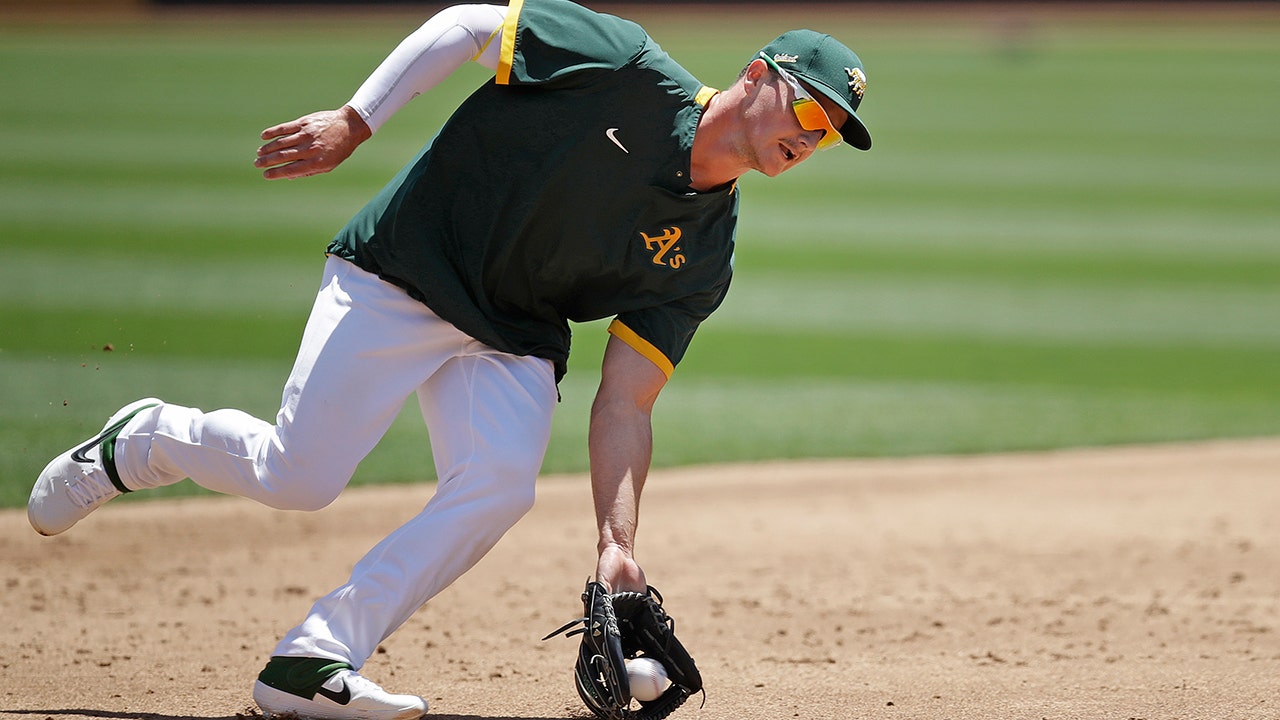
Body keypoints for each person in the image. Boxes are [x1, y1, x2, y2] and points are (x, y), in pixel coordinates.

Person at [28, 1, 871, 718]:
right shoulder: (625, 64)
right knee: (300, 476)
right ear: (759, 75)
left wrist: (617, 544)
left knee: (500, 484)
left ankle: (311, 660)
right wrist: (357, 119)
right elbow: (469, 25)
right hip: (404, 268)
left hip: (513, 329)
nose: (813, 138)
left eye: (830, 136)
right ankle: (141, 441)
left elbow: (626, 403)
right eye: (810, 113)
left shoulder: (706, 254)